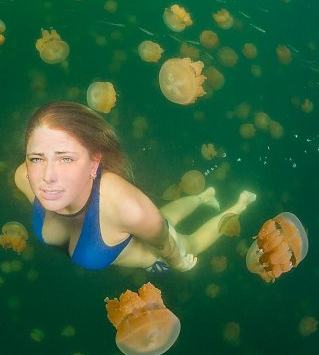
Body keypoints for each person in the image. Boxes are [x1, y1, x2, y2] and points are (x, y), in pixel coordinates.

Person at [13, 101, 256, 273]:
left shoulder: (129, 209)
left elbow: (166, 245)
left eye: (66, 158)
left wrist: (178, 262)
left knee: (188, 243)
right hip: (138, 224)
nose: (47, 176)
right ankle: (203, 197)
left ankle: (240, 204)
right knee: (163, 218)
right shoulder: (24, 177)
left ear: (94, 162)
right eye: (37, 158)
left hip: (154, 257)